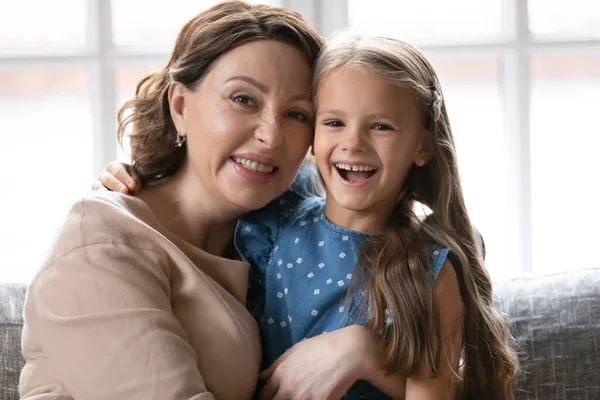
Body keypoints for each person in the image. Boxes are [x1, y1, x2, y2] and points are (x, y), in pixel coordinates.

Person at [98, 32, 519, 399]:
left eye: (382, 127)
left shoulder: (429, 269)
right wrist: (134, 179)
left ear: (423, 146)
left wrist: (369, 359)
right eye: (333, 122)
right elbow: (200, 204)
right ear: (313, 138)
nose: (353, 143)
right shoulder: (273, 219)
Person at [19, 2, 324, 399]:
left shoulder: (278, 248)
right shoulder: (102, 241)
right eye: (243, 99)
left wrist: (359, 350)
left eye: (297, 114)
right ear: (179, 106)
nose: (271, 135)